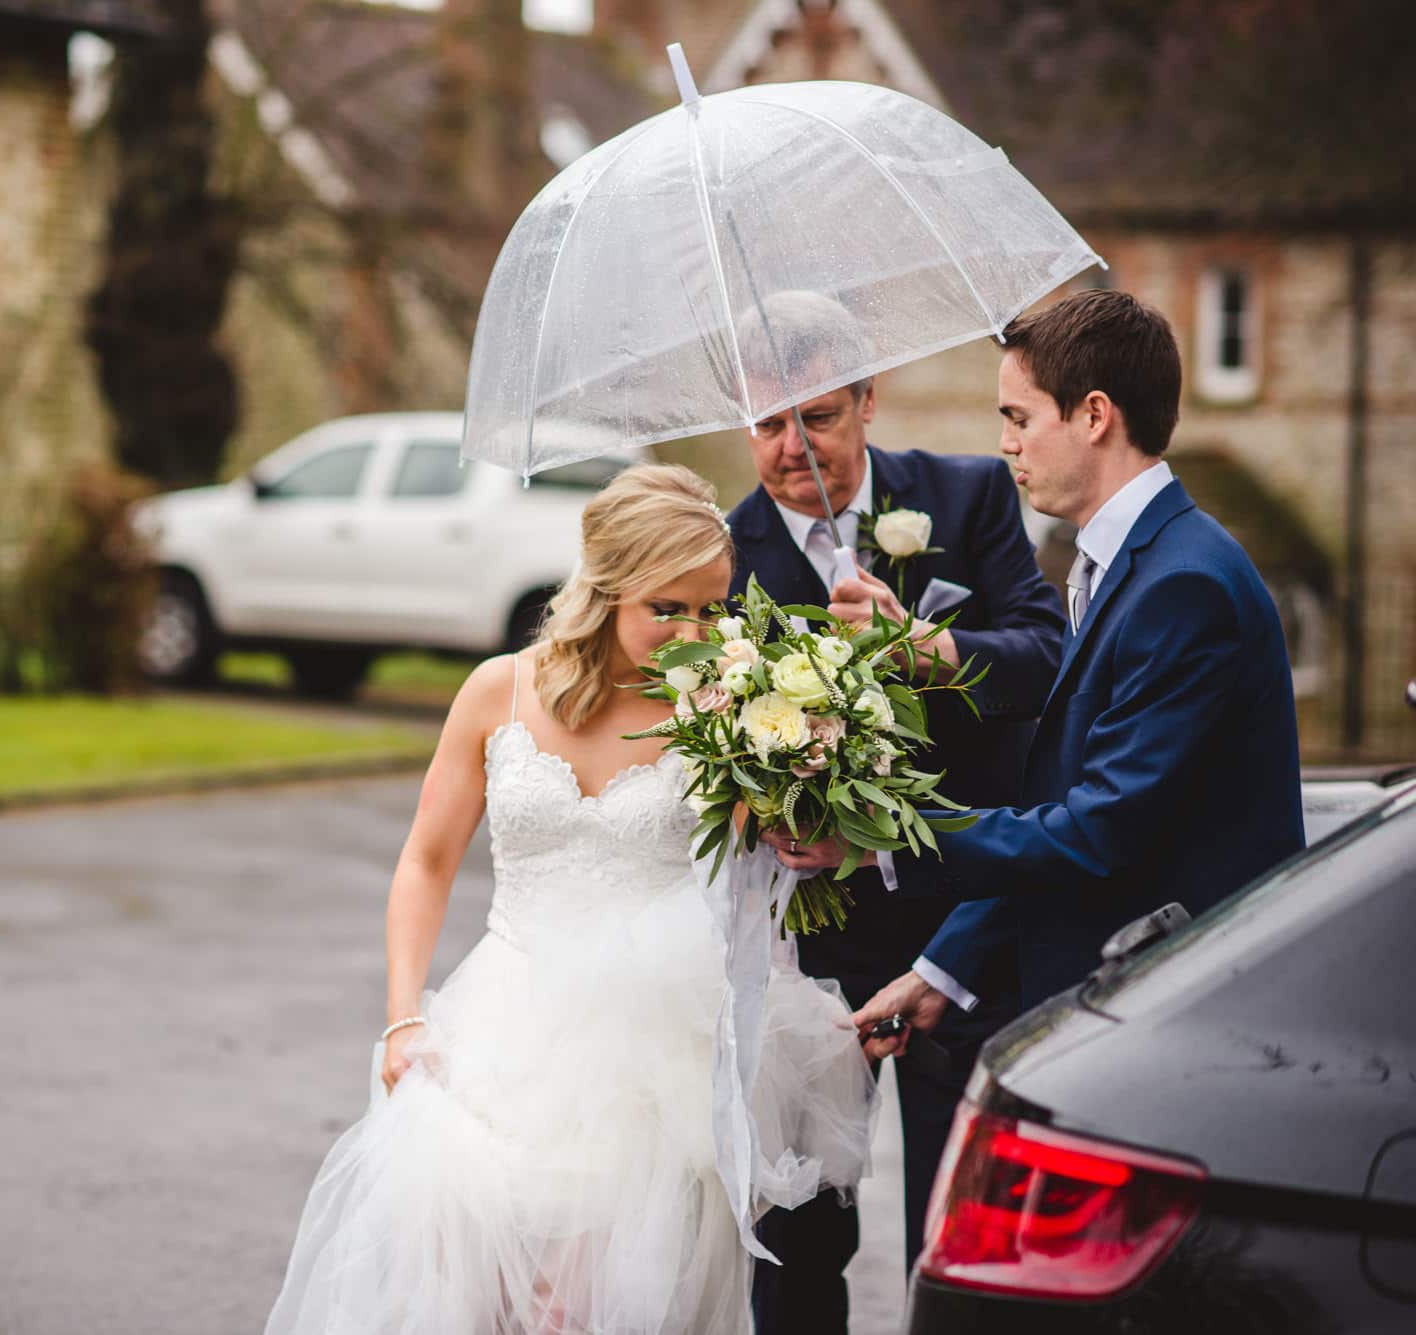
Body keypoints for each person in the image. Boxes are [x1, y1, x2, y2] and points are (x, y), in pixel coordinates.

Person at [263, 464, 875, 1335]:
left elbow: (783, 852)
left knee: (577, 1311)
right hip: (503, 1030)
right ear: (605, 589)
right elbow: (427, 862)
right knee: (471, 1299)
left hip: (654, 1057)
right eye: (668, 607)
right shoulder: (496, 690)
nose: (694, 632)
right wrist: (403, 1018)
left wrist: (813, 787)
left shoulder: (727, 714)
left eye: (712, 608)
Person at [765, 289, 1304, 1056]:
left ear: (1093, 415)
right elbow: (1065, 800)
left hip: (1179, 1007)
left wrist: (876, 841)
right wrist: (940, 971)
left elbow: (1096, 832)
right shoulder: (1125, 564)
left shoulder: (1186, 585)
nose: (1007, 445)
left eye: (1019, 418)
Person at [722, 292, 1067, 1331]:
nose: (792, 448)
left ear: (868, 401)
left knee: (948, 1223)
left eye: (816, 416)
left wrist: (928, 647)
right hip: (808, 939)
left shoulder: (963, 500)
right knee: (798, 1231)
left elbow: (1047, 660)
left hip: (956, 922)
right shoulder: (722, 557)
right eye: (768, 423)